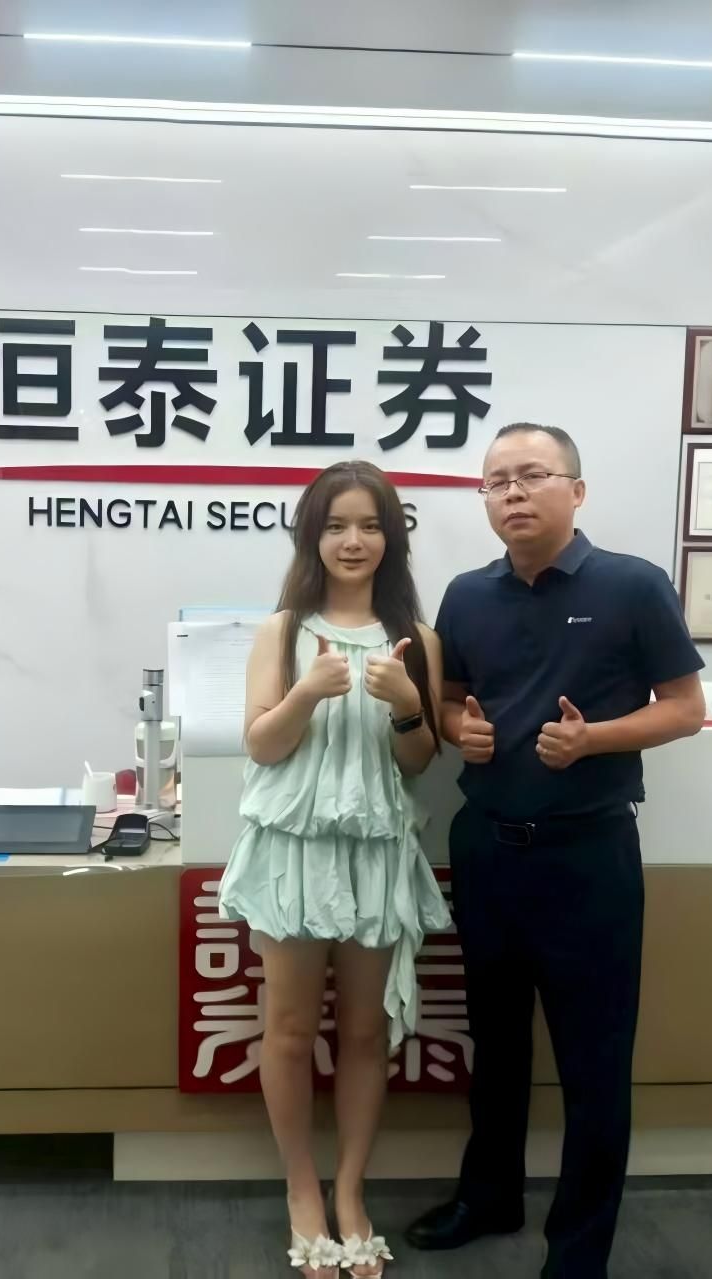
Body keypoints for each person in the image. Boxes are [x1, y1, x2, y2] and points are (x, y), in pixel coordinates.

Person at [406, 423, 706, 1279]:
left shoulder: (633, 584)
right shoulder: (467, 594)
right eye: (496, 480)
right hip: (489, 851)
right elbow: (453, 696)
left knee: (594, 1062)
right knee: (495, 1046)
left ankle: (578, 1251)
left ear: (576, 490)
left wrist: (594, 738)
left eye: (532, 474)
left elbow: (684, 707)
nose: (512, 492)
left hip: (589, 857)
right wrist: (460, 727)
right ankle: (489, 1195)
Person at [219, 460, 451, 1279]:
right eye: (337, 525)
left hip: (375, 851)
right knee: (287, 1029)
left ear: (393, 537)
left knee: (362, 1031)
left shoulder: (417, 638)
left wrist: (408, 705)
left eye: (371, 525)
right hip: (295, 849)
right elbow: (261, 745)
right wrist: (309, 691)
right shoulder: (283, 630)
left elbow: (418, 762)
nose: (355, 541)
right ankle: (301, 1192)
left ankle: (350, 1190)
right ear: (312, 536)